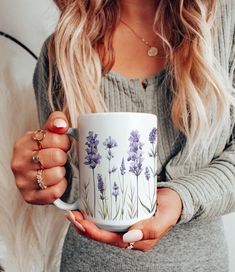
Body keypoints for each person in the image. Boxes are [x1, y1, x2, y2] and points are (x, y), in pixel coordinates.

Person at [11, 0, 235, 271]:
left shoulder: (224, 23)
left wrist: (180, 197)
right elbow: (71, 185)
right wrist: (43, 172)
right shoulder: (62, 50)